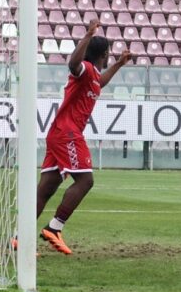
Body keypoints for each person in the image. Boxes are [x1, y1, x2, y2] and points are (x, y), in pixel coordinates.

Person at [36, 19, 131, 255]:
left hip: (59, 133)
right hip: (67, 133)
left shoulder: (93, 78)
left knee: (47, 187)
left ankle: (19, 236)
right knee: (85, 181)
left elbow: (101, 82)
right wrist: (87, 35)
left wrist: (119, 64)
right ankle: (54, 227)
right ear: (104, 53)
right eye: (110, 55)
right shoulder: (84, 70)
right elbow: (73, 64)